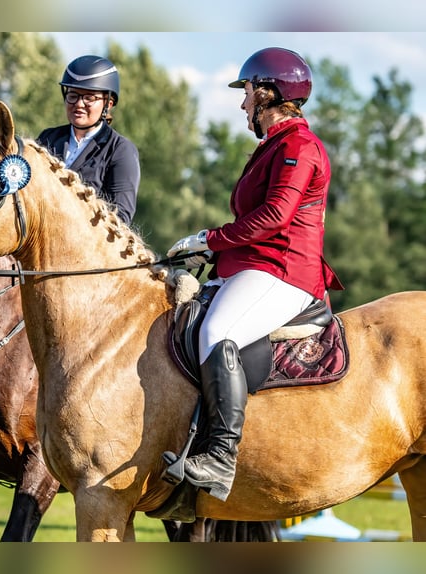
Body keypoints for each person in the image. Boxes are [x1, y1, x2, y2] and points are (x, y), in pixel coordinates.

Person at [162, 47, 343, 502]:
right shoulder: (274, 147)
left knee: (218, 331)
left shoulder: (300, 146)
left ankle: (220, 455)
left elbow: (276, 216)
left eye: (246, 92)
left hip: (285, 273)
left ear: (266, 93)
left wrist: (209, 239)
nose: (243, 103)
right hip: (254, 268)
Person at [37, 54, 140, 225]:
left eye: (89, 98)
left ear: (108, 104)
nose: (78, 104)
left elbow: (120, 218)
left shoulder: (121, 150)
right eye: (73, 95)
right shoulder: (47, 138)